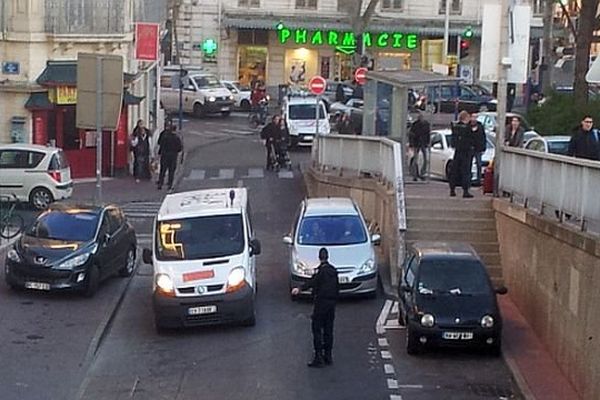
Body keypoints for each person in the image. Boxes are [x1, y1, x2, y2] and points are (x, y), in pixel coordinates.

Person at [291, 247, 339, 368]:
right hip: (331, 304)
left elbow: (312, 282)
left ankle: (319, 357)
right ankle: (328, 356)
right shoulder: (333, 271)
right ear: (327, 257)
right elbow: (337, 287)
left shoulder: (320, 272)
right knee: (329, 330)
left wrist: (300, 289)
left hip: (321, 303)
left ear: (319, 257)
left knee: (317, 329)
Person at [449, 111, 475, 198]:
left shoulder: (456, 127)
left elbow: (453, 139)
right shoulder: (468, 128)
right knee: (466, 171)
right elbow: (472, 139)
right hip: (466, 152)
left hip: (457, 151)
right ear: (466, 118)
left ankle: (452, 189)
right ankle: (465, 190)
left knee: (455, 171)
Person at [157, 120, 183, 191]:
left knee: (163, 170)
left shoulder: (165, 137)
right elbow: (180, 148)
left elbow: (160, 144)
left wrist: (160, 153)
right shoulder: (177, 138)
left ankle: (160, 183)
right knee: (171, 171)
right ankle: (170, 185)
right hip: (173, 156)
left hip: (164, 155)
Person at [408, 112, 431, 181]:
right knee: (416, 159)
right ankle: (416, 174)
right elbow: (411, 134)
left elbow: (428, 134)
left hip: (422, 143)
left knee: (425, 159)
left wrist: (427, 142)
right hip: (417, 143)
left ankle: (421, 173)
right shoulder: (416, 124)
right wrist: (412, 143)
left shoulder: (425, 124)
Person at [469, 113, 487, 186]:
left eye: (475, 117)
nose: (474, 119)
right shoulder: (468, 126)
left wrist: (483, 147)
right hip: (470, 148)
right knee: (468, 164)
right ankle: (468, 179)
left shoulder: (480, 126)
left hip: (478, 149)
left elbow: (483, 137)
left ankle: (478, 179)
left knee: (479, 164)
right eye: (472, 117)